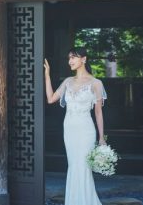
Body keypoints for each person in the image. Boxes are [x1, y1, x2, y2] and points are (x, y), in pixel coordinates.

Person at [44, 47, 107, 205]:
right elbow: (50, 99)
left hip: (86, 130)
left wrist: (101, 138)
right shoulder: (68, 81)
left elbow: (98, 113)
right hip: (69, 130)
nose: (70, 61)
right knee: (73, 166)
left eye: (73, 57)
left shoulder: (96, 83)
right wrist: (47, 75)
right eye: (69, 58)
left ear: (83, 59)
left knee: (83, 167)